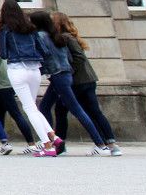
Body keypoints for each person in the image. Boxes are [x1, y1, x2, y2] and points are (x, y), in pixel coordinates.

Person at [31, 10, 110, 156]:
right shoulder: (56, 36)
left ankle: (100, 144)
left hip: (58, 76)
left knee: (76, 109)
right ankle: (53, 142)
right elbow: (69, 57)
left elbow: (41, 56)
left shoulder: (40, 36)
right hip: (65, 74)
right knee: (45, 106)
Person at [50, 12, 121, 156]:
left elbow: (78, 57)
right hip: (88, 79)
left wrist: (69, 73)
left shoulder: (65, 38)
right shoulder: (71, 36)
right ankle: (111, 144)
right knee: (93, 111)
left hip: (78, 81)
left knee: (62, 111)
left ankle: (61, 145)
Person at [0, 0, 59, 156]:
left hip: (17, 69)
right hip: (34, 70)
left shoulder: (5, 29)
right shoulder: (31, 28)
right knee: (33, 107)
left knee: (29, 109)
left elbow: (3, 53)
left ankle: (47, 146)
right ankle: (54, 137)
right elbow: (44, 50)